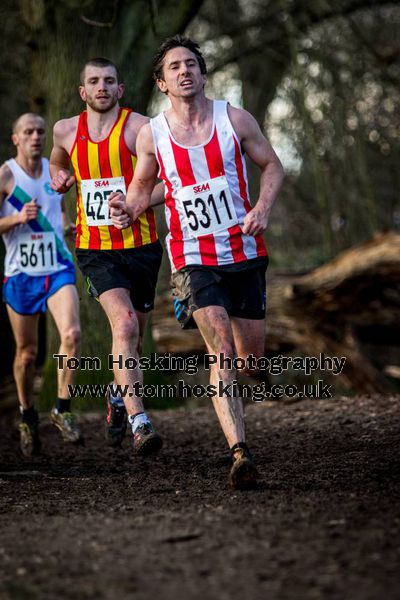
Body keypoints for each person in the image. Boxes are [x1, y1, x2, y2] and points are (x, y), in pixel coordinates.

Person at [110, 36, 284, 489]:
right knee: (221, 348)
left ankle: (251, 371)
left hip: (244, 253)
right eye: (174, 67)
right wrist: (129, 208)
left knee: (249, 360)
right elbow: (142, 188)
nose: (184, 71)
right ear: (162, 82)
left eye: (191, 64)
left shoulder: (235, 119)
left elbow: (273, 166)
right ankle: (240, 453)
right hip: (191, 258)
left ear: (204, 74)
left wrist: (262, 208)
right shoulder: (153, 134)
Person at [49, 58, 163, 455]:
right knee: (126, 324)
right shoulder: (65, 130)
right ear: (83, 91)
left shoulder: (142, 128)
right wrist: (57, 176)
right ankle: (140, 422)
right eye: (94, 81)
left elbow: (169, 182)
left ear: (121, 89)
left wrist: (135, 205)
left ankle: (117, 398)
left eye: (109, 81)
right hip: (95, 249)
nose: (102, 87)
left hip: (143, 246)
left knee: (135, 338)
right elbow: (58, 161)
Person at [0, 113, 83, 457]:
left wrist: (67, 226)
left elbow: (58, 209)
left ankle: (62, 410)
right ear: (16, 138)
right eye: (28, 132)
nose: (36, 137)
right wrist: (19, 217)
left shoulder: (54, 170)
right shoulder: (6, 175)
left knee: (72, 335)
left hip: (57, 267)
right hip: (21, 273)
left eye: (40, 132)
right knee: (27, 353)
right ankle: (27, 414)